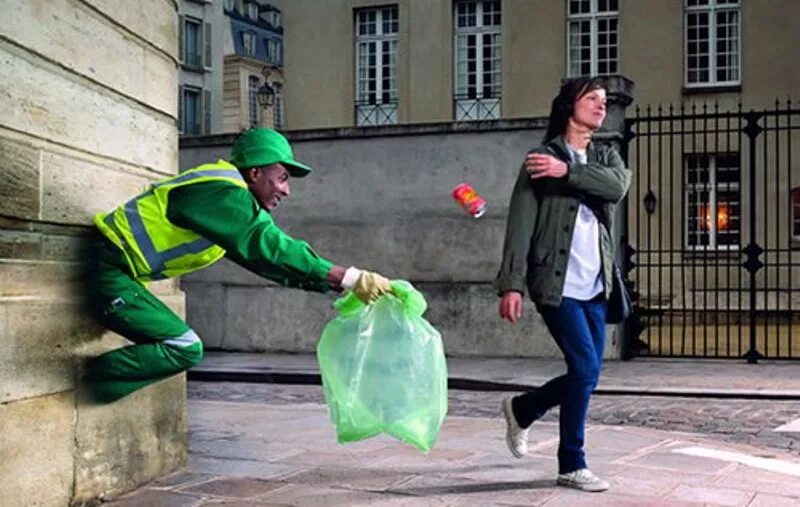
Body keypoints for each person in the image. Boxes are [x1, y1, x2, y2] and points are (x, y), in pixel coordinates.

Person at [84, 128, 392, 403]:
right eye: (283, 177)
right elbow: (266, 243)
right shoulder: (223, 192)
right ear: (255, 173)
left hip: (116, 270)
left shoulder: (224, 202)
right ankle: (81, 383)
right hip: (110, 268)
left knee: (182, 345)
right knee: (184, 346)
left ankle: (92, 386)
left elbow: (266, 262)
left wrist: (332, 283)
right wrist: (348, 276)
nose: (287, 190)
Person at [495, 77, 631, 492]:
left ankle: (522, 409)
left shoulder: (606, 153)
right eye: (591, 98)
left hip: (596, 283)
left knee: (584, 372)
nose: (601, 106)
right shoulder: (540, 157)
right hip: (556, 283)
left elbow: (617, 186)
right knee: (587, 368)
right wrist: (512, 284)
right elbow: (521, 222)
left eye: (605, 101)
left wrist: (568, 172)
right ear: (569, 106)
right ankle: (572, 462)